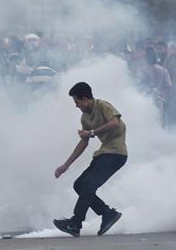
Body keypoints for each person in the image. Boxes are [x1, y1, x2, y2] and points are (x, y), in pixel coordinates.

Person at [53, 82, 126, 237]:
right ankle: (107, 213)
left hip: (116, 154)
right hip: (104, 153)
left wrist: (92, 132)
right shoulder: (85, 117)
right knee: (79, 185)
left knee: (88, 185)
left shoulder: (103, 106)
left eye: (77, 102)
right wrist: (66, 165)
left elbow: (115, 122)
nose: (76, 106)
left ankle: (75, 223)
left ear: (85, 99)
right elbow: (83, 142)